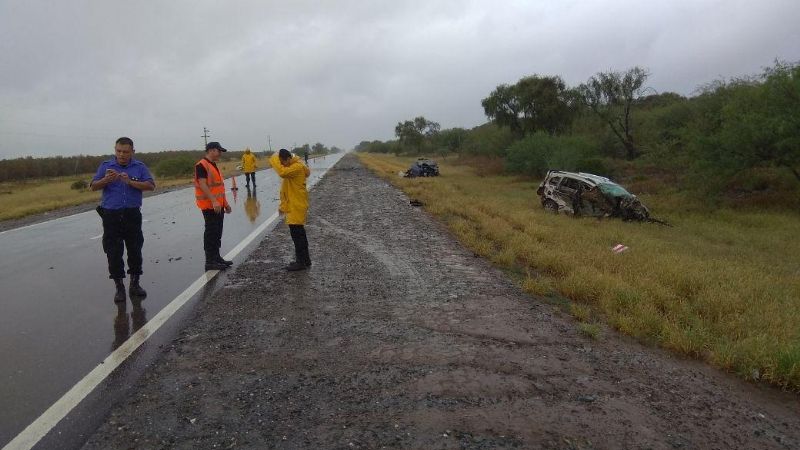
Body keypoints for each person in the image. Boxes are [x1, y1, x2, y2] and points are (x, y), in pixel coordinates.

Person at [91, 137, 155, 303]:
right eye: (118, 151)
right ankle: (119, 287)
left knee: (135, 249)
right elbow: (92, 186)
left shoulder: (139, 167)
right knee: (113, 251)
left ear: (132, 151)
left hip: (132, 214)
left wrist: (130, 182)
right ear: (115, 150)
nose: (121, 155)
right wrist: (106, 180)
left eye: (125, 152)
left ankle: (135, 284)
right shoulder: (106, 166)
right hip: (111, 215)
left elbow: (150, 185)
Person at [269, 148, 311, 271]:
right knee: (299, 235)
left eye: (282, 162)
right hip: (294, 205)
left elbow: (282, 172)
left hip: (296, 206)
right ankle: (304, 260)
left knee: (298, 236)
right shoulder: (293, 168)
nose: (282, 165)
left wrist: (274, 158)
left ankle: (301, 262)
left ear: (288, 158)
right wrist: (282, 207)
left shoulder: (296, 167)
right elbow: (285, 191)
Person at [195, 142, 233, 271]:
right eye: (219, 151)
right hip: (209, 205)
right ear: (211, 150)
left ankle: (216, 257)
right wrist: (213, 201)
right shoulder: (202, 165)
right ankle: (210, 261)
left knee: (217, 232)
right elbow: (202, 184)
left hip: (218, 205)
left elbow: (219, 188)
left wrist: (225, 204)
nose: (220, 153)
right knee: (211, 233)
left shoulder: (213, 165)